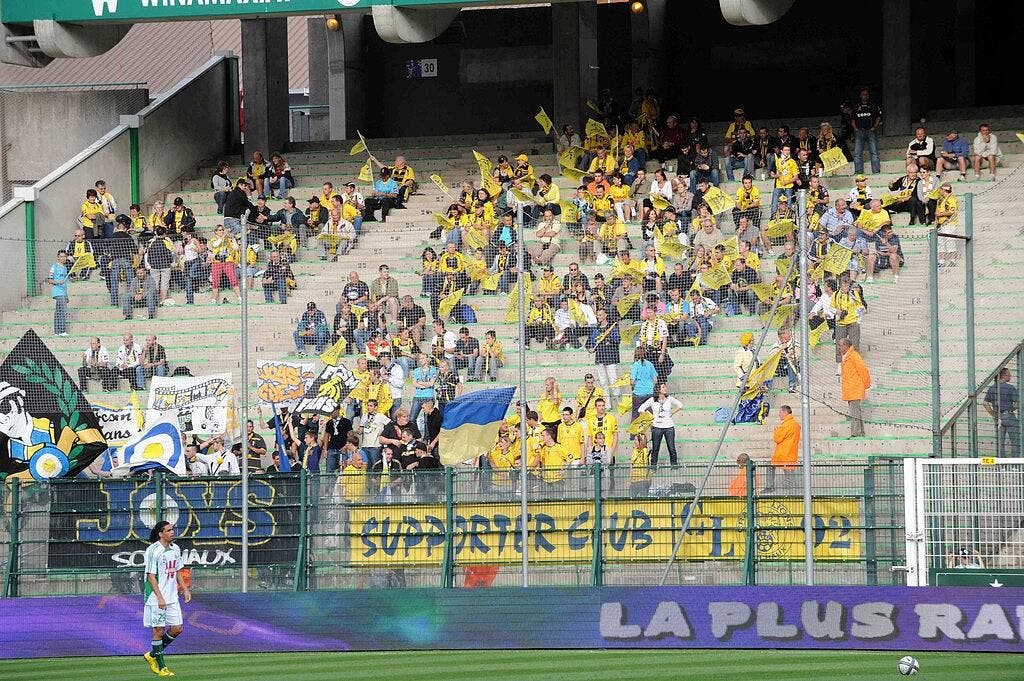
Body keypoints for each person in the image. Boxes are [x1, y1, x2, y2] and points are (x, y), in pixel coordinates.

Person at [142, 520, 190, 678]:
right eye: (168, 530)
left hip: (172, 597)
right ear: (160, 534)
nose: (172, 532)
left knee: (177, 628)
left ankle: (152, 654)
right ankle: (162, 667)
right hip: (156, 598)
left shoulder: (175, 548)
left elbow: (177, 570)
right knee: (158, 630)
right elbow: (150, 576)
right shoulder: (153, 550)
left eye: (172, 529)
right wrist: (160, 597)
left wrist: (184, 588)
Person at [638, 382, 682, 468]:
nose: (665, 388)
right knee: (655, 449)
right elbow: (641, 409)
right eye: (663, 387)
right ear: (658, 389)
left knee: (672, 448)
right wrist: (650, 417)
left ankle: (674, 466)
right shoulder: (652, 400)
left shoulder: (669, 398)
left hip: (669, 427)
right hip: (657, 427)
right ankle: (653, 467)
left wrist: (672, 412)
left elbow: (680, 405)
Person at [838, 338, 871, 438]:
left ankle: (855, 433)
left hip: (854, 388)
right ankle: (860, 432)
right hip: (850, 388)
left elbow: (863, 370)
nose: (839, 347)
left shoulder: (854, 356)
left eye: (840, 345)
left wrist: (867, 384)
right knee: (856, 411)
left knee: (854, 412)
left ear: (846, 346)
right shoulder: (847, 356)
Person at [983, 368, 1020, 456]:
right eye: (1009, 375)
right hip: (1008, 416)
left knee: (1000, 443)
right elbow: (1018, 403)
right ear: (1004, 376)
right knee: (1015, 441)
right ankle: (1016, 466)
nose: (1010, 376)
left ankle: (1002, 466)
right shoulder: (1010, 388)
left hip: (998, 417)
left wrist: (993, 413)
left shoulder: (992, 388)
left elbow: (984, 403)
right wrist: (1011, 409)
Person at [764, 405, 799, 493]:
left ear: (785, 412)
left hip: (783, 453)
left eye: (780, 412)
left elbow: (777, 439)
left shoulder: (786, 425)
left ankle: (770, 487)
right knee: (789, 474)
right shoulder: (795, 424)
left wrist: (776, 430)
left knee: (771, 466)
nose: (779, 414)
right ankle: (791, 492)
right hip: (791, 452)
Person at [851, 87, 882, 175]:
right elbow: (852, 119)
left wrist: (874, 127)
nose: (865, 96)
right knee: (857, 153)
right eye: (863, 94)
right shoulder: (856, 106)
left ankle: (876, 171)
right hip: (859, 131)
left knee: (874, 152)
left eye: (866, 94)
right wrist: (855, 129)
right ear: (860, 96)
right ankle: (858, 171)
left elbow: (878, 117)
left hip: (870, 131)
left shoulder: (873, 105)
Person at [629, 347, 657, 419]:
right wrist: (650, 387)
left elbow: (632, 381)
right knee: (650, 414)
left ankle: (634, 429)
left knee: (636, 414)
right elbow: (655, 379)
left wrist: (634, 386)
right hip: (649, 392)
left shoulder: (635, 365)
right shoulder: (650, 364)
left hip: (638, 393)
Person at [47, 250, 70, 337]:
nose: (63, 258)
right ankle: (62, 330)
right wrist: (57, 282)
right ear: (58, 257)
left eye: (64, 256)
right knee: (63, 311)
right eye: (61, 256)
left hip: (63, 292)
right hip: (57, 292)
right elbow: (50, 280)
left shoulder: (65, 268)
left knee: (58, 311)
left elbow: (65, 284)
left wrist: (66, 295)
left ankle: (57, 331)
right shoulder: (54, 267)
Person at [629, 432, 652, 497]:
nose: (634, 442)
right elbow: (632, 463)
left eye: (636, 440)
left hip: (643, 480)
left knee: (643, 500)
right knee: (630, 499)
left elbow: (646, 465)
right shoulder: (635, 450)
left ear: (640, 441)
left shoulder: (645, 451)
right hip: (634, 480)